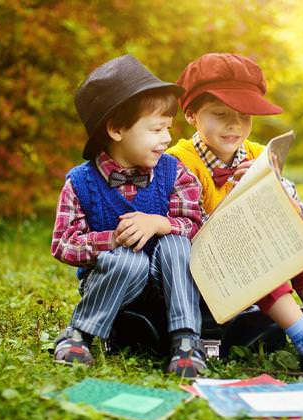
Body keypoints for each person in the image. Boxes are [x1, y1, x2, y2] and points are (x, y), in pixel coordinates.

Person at [167, 53, 303, 384]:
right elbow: (185, 230)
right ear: (192, 115)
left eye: (243, 116)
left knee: (297, 230)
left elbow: (289, 208)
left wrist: (271, 189)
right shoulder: (178, 162)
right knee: (253, 250)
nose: (234, 125)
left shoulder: (256, 154)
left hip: (247, 266)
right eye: (220, 114)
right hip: (202, 271)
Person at [51, 55, 207, 377]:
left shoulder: (174, 172)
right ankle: (80, 334)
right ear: (116, 129)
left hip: (169, 282)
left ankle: (186, 341)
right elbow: (64, 244)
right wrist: (113, 241)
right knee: (128, 258)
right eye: (156, 129)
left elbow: (195, 224)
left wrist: (160, 223)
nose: (167, 138)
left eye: (168, 127)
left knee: (176, 244)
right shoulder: (81, 183)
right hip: (118, 285)